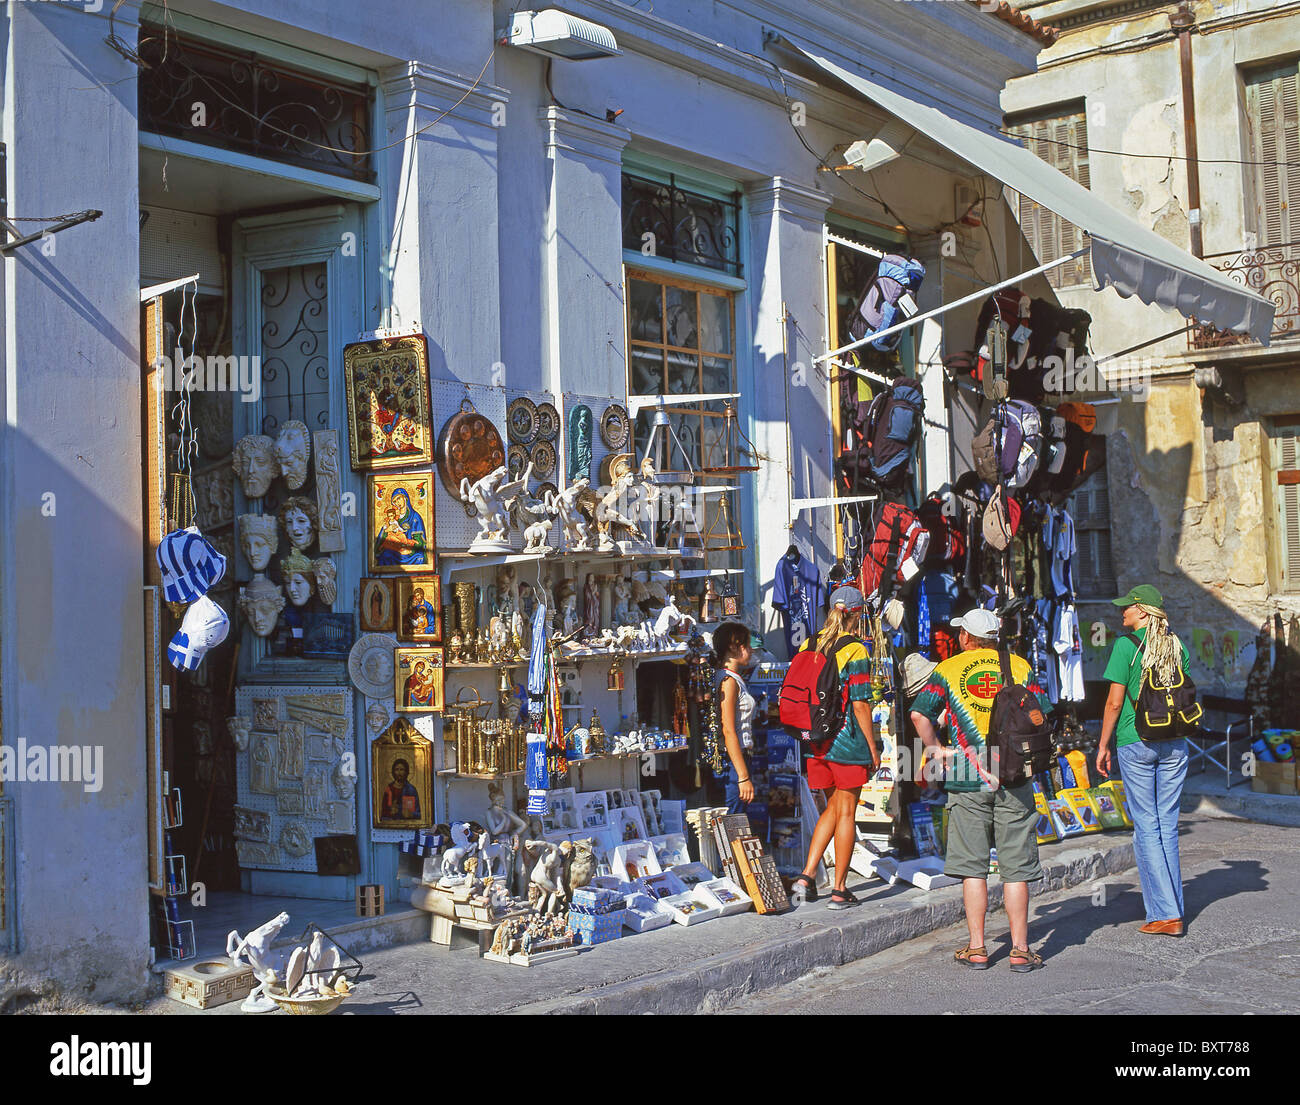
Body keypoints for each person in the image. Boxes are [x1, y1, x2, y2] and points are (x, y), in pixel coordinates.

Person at [909, 607, 1049, 972]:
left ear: (966, 638)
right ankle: (1020, 949)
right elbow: (1042, 715)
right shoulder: (1019, 666)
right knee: (1015, 868)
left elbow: (919, 714)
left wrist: (934, 747)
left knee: (974, 868)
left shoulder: (948, 669)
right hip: (1014, 775)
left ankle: (977, 948)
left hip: (967, 776)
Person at [1096, 584, 1192, 937]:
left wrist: (1103, 744)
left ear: (1144, 611)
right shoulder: (1177, 645)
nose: (1122, 611)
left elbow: (1114, 703)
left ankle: (1166, 913)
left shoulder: (1126, 647)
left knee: (1146, 827)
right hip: (1175, 742)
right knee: (1166, 826)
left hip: (1136, 741)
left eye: (1128, 607)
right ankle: (1171, 909)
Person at [791, 586, 879, 910]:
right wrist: (872, 747)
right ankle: (840, 889)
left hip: (815, 742)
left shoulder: (809, 643)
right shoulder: (855, 649)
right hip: (847, 741)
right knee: (846, 812)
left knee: (831, 808)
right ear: (857, 614)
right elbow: (860, 704)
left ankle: (806, 875)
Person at [711, 621, 756, 814]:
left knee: (734, 821)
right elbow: (728, 729)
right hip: (733, 761)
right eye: (747, 644)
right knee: (733, 822)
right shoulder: (728, 681)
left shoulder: (729, 678)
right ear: (734, 646)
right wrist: (743, 775)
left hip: (734, 759)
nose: (751, 650)